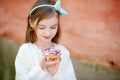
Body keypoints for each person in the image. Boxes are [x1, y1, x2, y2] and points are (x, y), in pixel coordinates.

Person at [15, 0, 77, 80]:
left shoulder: (63, 52)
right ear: (31, 23)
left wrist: (55, 74)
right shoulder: (25, 51)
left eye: (53, 27)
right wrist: (40, 67)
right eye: (42, 27)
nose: (48, 33)